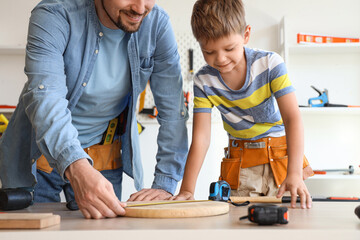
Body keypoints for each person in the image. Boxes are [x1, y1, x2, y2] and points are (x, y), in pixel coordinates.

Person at [0, 0, 188, 219]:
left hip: (104, 158)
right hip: (37, 158)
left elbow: (174, 111)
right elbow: (46, 98)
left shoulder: (157, 24)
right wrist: (75, 165)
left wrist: (165, 183)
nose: (140, 8)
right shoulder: (54, 14)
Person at [172, 0, 313, 209]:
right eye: (209, 52)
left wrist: (294, 173)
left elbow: (292, 119)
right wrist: (187, 189)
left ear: (246, 35)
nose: (220, 59)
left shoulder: (270, 64)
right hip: (242, 166)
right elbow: (201, 138)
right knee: (240, 224)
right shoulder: (203, 81)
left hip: (283, 162)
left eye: (229, 48)